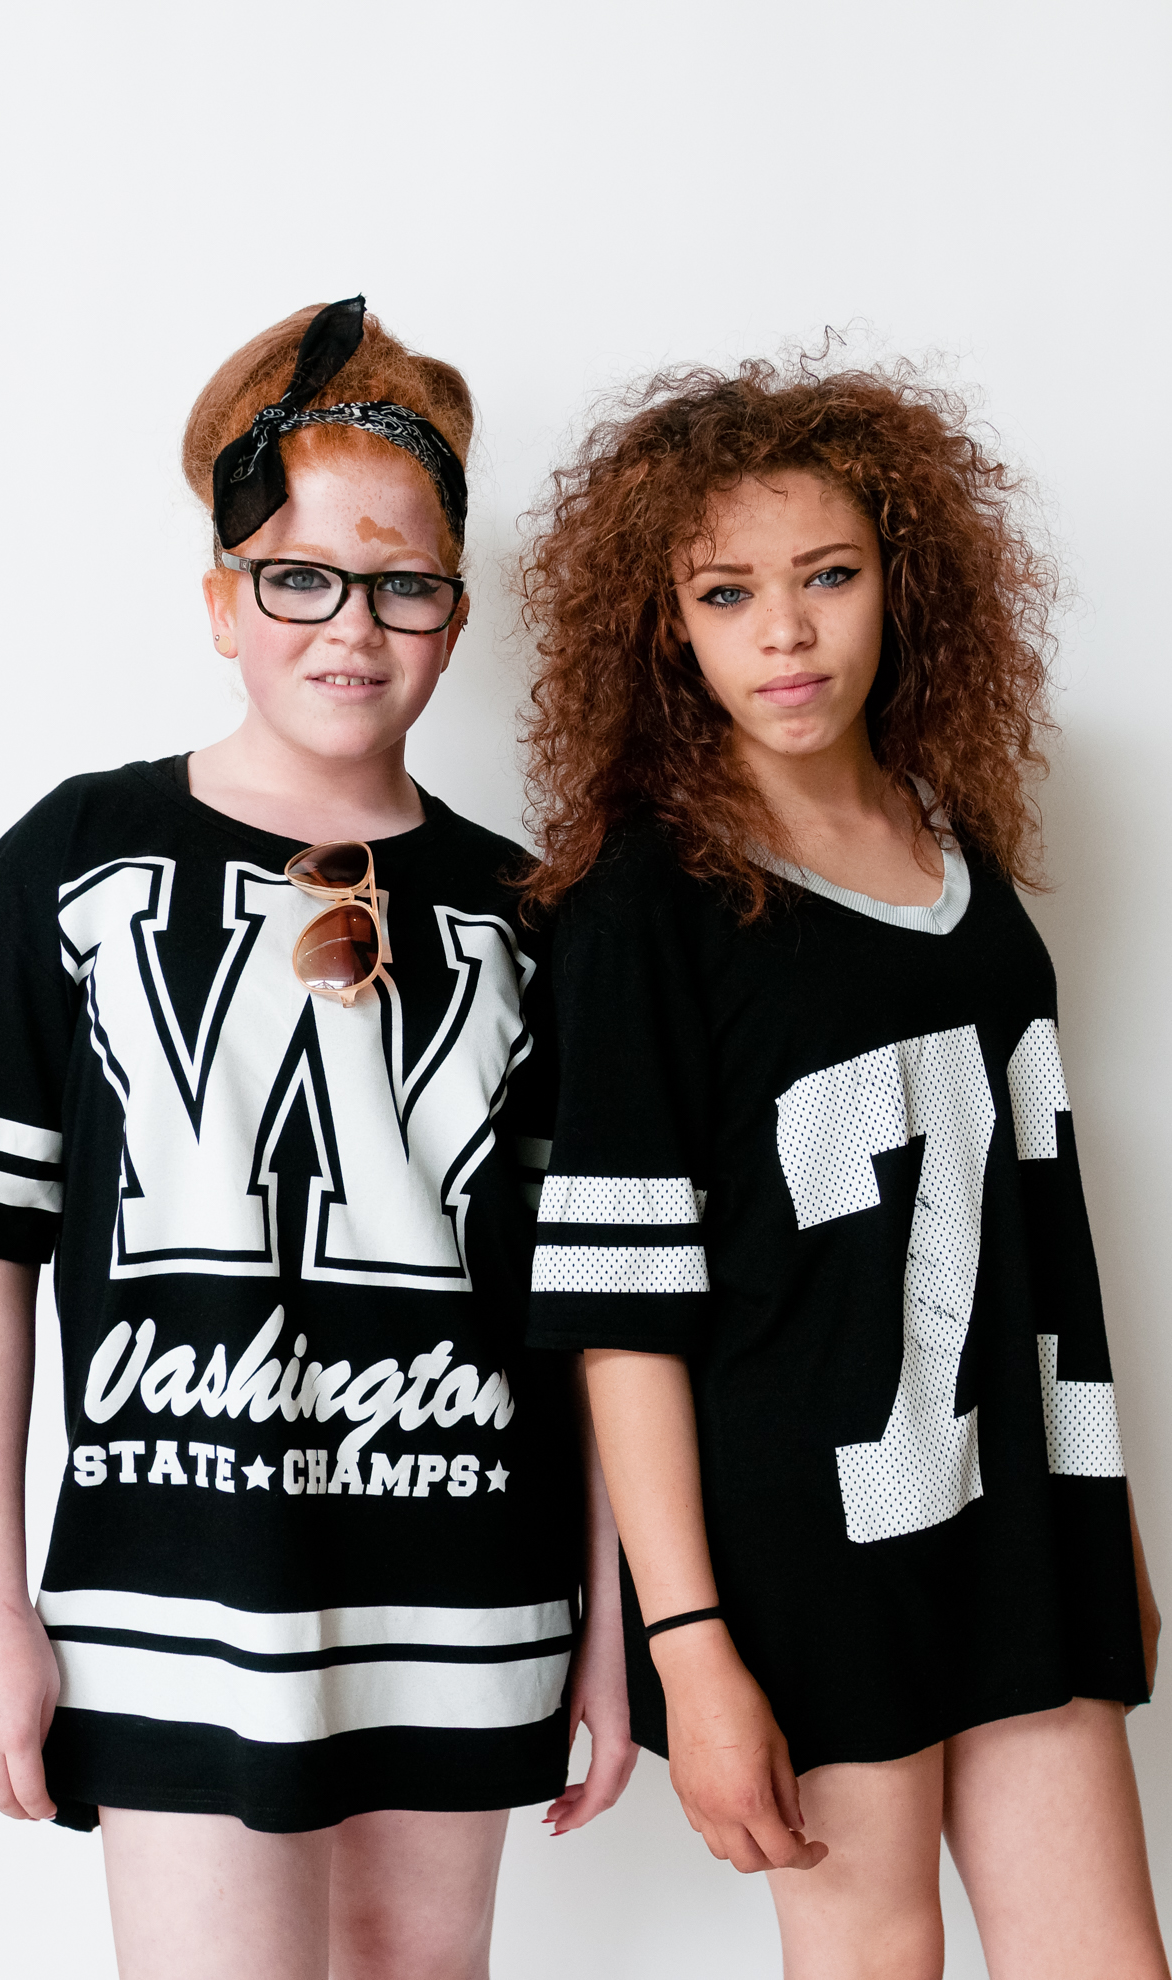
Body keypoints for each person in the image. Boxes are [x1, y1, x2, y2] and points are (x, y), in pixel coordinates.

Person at [0, 296, 635, 1980]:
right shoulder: (69, 861)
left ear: (453, 611)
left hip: (462, 1587)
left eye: (402, 582)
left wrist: (609, 1622)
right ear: (225, 601)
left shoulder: (530, 915)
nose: (352, 626)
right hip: (170, 1599)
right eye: (300, 575)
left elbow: (589, 1318)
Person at [519, 356, 1167, 1978]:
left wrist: (1113, 1525)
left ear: (904, 577)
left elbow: (1037, 1224)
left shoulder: (965, 853)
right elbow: (625, 1321)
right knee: (876, 1961)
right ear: (669, 624)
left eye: (827, 577)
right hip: (811, 1550)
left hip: (1017, 1516)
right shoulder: (639, 911)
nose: (787, 634)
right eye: (728, 594)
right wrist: (693, 1646)